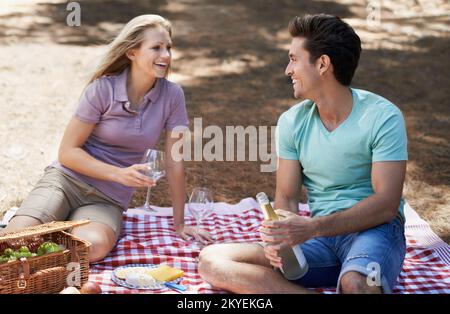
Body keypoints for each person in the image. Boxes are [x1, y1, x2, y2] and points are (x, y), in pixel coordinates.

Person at [198, 14, 407, 294]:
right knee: (213, 261)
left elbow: (386, 205)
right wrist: (281, 241)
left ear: (322, 64)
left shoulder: (383, 117)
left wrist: (312, 228)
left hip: (374, 232)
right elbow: (286, 196)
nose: (288, 70)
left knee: (356, 284)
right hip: (320, 243)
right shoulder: (292, 122)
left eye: (294, 59)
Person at [3, 14, 212, 262]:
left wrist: (180, 223)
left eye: (168, 47)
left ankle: (58, 231)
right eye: (156, 47)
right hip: (66, 182)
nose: (166, 55)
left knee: (89, 249)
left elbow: (174, 162)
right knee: (17, 241)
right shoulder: (102, 89)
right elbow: (67, 152)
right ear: (132, 52)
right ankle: (50, 226)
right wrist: (118, 173)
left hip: (108, 198)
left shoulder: (172, 96)